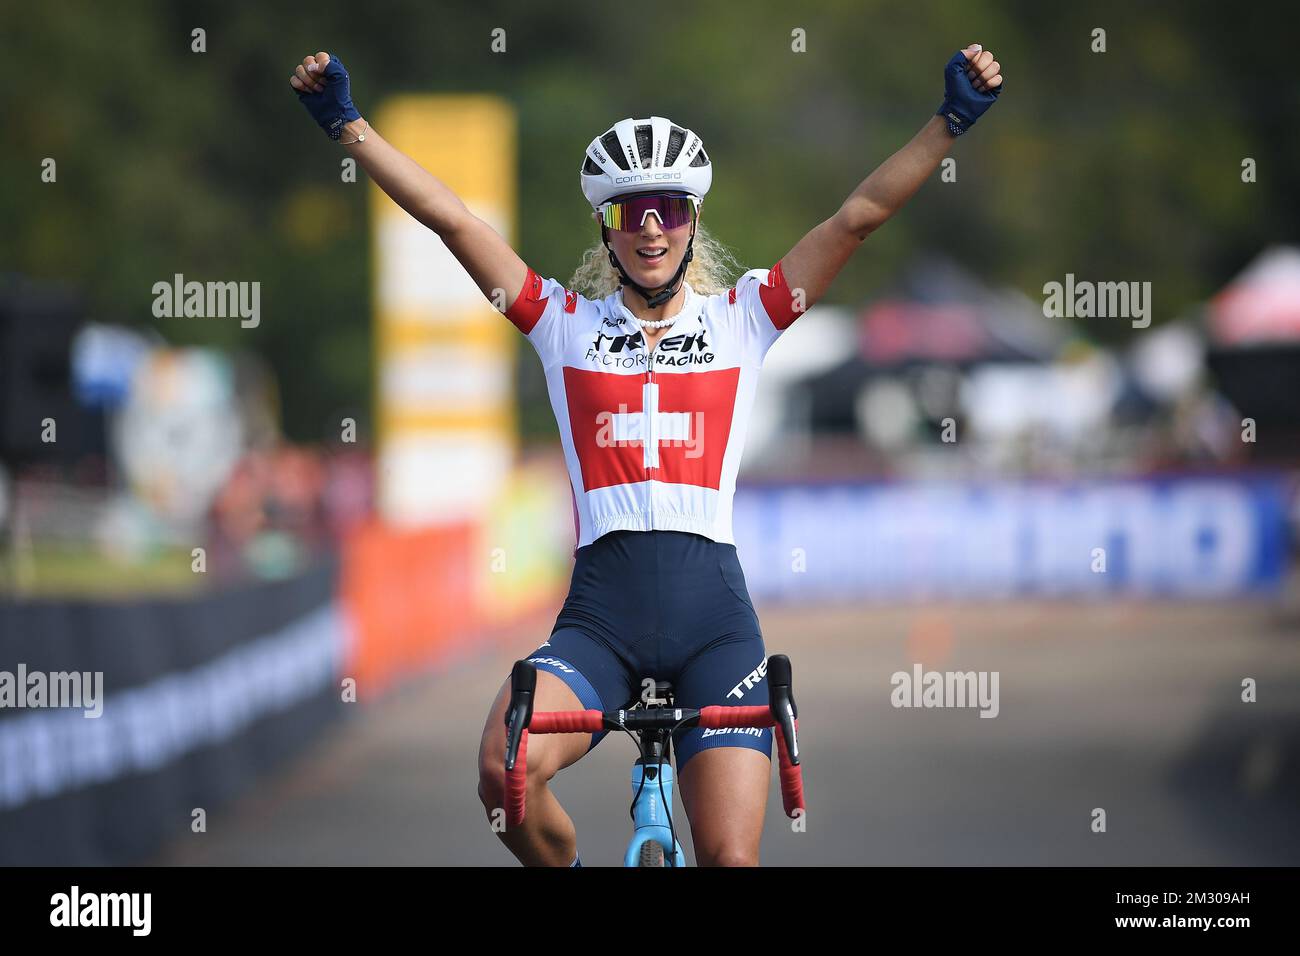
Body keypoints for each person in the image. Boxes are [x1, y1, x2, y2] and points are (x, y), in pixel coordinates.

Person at [290, 45, 1003, 866]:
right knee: (503, 773)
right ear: (607, 225)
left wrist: (947, 124)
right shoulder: (561, 326)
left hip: (715, 627)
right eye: (632, 212)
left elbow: (857, 217)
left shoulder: (747, 317)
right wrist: (351, 128)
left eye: (667, 207)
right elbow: (453, 219)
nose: (652, 227)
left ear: (692, 219)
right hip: (601, 620)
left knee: (730, 860)